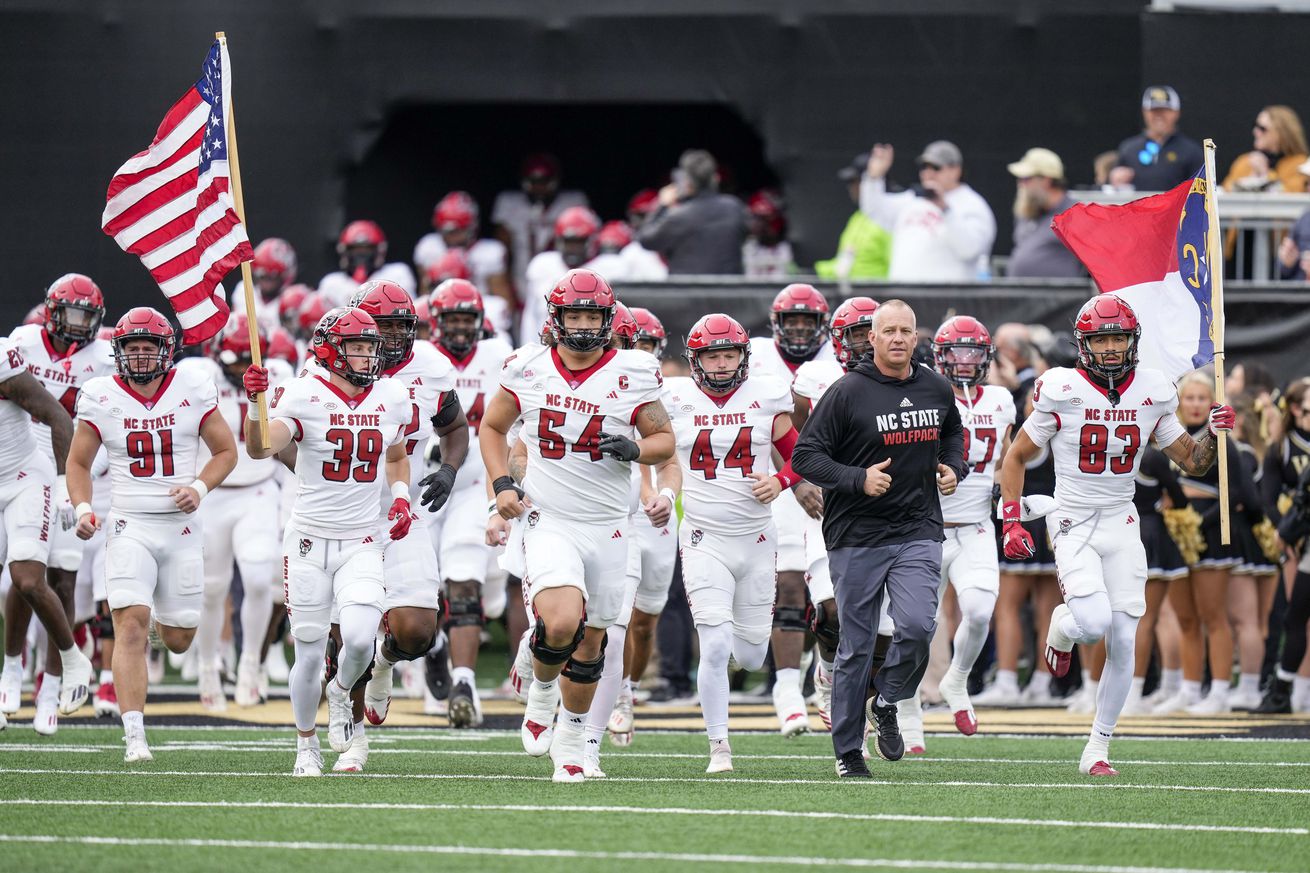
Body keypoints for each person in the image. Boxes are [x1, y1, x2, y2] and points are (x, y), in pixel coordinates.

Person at [998, 294, 1233, 775]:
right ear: (1084, 343)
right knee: (1092, 622)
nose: (1109, 347)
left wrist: (1213, 431)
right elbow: (1016, 456)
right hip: (1073, 520)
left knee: (1125, 637)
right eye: (1101, 338)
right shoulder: (1060, 388)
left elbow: (1194, 460)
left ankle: (1098, 748)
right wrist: (1012, 520)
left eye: (1118, 337)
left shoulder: (1152, 390)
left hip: (1122, 520)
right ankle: (1061, 632)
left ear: (1133, 342)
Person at [479, 268, 673, 783]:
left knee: (592, 643)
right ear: (556, 318)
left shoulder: (634, 370)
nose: (584, 326)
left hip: (609, 522)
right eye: (575, 315)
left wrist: (635, 448)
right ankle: (542, 692)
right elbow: (494, 427)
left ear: (608, 319)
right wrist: (501, 485)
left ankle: (572, 737)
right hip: (551, 516)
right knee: (561, 622)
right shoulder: (528, 366)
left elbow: (664, 442)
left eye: (592, 316)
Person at [792, 299, 966, 778]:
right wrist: (856, 478)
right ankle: (848, 753)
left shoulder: (934, 384)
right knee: (857, 644)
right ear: (871, 338)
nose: (896, 338)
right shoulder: (846, 391)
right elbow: (805, 457)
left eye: (904, 331)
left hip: (917, 528)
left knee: (916, 628)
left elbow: (954, 434)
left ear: (916, 337)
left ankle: (887, 700)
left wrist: (954, 467)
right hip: (857, 534)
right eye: (886, 330)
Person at [241, 306, 415, 777]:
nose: (366, 357)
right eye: (356, 348)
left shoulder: (391, 395)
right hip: (308, 541)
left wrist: (399, 496)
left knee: (360, 638)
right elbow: (261, 447)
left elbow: (396, 454)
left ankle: (340, 691)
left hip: (361, 537)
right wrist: (252, 406)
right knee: (310, 648)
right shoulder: (303, 393)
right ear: (330, 350)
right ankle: (305, 746)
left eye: (369, 348)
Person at [66, 307, 237, 761]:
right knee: (131, 625)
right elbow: (78, 462)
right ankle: (135, 735)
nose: (140, 356)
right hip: (129, 524)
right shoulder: (100, 395)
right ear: (118, 352)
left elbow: (226, 451)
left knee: (178, 638)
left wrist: (199, 487)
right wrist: (83, 507)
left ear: (167, 351)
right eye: (131, 348)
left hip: (180, 527)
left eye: (148, 347)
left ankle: (162, 624)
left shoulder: (192, 387)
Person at [663, 313, 800, 772]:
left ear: (743, 355)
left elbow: (802, 454)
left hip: (758, 536)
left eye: (729, 354)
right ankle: (719, 745)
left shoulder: (766, 394)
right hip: (703, 535)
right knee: (716, 644)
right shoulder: (673, 398)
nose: (721, 364)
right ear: (695, 359)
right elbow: (650, 448)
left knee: (753, 653)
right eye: (712, 355)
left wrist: (781, 481)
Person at [1, 275, 112, 733]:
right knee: (24, 573)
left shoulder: (104, 357)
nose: (78, 323)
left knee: (63, 577)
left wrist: (79, 482)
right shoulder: (24, 342)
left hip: (74, 459)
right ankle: (13, 669)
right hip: (27, 447)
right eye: (71, 313)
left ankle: (50, 684)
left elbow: (79, 417)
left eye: (87, 315)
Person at [175, 314, 294, 712]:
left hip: (257, 490)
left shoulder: (276, 374)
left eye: (249, 361)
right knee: (211, 590)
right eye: (235, 361)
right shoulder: (198, 375)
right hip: (211, 493)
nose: (242, 371)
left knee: (261, 579)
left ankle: (250, 665)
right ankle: (209, 667)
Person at [409, 278, 512, 725]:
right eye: (449, 319)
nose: (457, 328)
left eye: (465, 319)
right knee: (418, 583)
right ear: (436, 321)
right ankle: (432, 646)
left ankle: (465, 681)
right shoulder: (417, 359)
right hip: (420, 485)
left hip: (470, 483)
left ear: (479, 322)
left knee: (466, 581)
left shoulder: (497, 356)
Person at [911, 316, 1015, 745]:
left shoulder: (1001, 399)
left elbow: (1009, 458)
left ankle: (957, 680)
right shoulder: (923, 395)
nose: (966, 361)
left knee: (977, 610)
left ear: (986, 357)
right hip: (924, 526)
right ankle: (906, 712)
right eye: (957, 352)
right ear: (940, 356)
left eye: (974, 352)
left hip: (974, 526)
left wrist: (1007, 505)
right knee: (914, 626)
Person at [790, 296, 881, 733]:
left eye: (872, 332)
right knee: (830, 612)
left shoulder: (909, 379)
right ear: (839, 340)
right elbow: (791, 437)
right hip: (829, 508)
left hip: (883, 511)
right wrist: (798, 479)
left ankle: (865, 707)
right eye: (857, 334)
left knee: (880, 625)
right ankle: (826, 673)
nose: (866, 342)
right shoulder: (816, 377)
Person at [749, 284, 835, 734]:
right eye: (792, 321)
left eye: (807, 322)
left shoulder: (837, 361)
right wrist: (794, 480)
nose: (800, 330)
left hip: (831, 484)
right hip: (776, 483)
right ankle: (785, 689)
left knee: (829, 599)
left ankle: (822, 673)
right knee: (786, 586)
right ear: (776, 324)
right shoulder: (756, 356)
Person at [1153, 372, 1259, 715]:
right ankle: (1189, 688)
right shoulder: (1172, 439)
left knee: (1214, 616)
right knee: (1185, 617)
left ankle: (1220, 691)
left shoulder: (1222, 439)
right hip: (1176, 534)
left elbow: (1239, 492)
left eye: (1202, 398)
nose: (1196, 404)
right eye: (1190, 398)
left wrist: (1201, 522)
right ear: (1179, 402)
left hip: (1211, 532)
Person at [859, 140, 996, 281]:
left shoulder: (972, 204)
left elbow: (970, 250)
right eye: (924, 167)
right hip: (904, 294)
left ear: (956, 170)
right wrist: (873, 178)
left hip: (947, 297)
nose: (928, 173)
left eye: (936, 168)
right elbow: (873, 210)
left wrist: (945, 209)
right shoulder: (914, 199)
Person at [413, 191, 514, 335]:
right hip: (439, 311)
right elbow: (425, 293)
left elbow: (503, 299)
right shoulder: (430, 247)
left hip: (477, 314)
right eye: (447, 231)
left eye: (457, 231)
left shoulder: (490, 252)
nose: (452, 237)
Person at [637, 149, 750, 275]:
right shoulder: (734, 207)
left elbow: (646, 240)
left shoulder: (679, 216)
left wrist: (662, 205)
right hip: (732, 291)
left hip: (689, 292)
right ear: (716, 178)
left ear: (687, 183)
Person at [492, 153, 590, 291]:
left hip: (562, 279)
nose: (539, 188)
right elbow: (502, 253)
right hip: (520, 281)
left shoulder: (573, 203)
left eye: (545, 182)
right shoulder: (509, 203)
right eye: (533, 182)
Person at [521, 206, 602, 345]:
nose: (573, 248)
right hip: (548, 345)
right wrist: (528, 347)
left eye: (578, 242)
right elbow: (530, 315)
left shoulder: (608, 267)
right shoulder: (543, 265)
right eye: (568, 242)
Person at [1005, 148, 1083, 278]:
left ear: (1046, 180)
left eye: (1026, 179)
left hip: (1061, 297)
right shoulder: (1026, 211)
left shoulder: (1074, 214)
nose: (1020, 184)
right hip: (1021, 295)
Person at [1109, 87, 1205, 192]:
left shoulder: (1191, 151)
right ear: (1144, 112)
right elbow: (1115, 190)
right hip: (1138, 207)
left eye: (1165, 110)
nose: (1159, 116)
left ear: (1177, 112)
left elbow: (1200, 194)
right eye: (1154, 110)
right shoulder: (1129, 148)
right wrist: (1115, 180)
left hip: (1176, 208)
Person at [814, 153, 891, 281]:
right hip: (853, 295)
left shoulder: (893, 216)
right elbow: (844, 264)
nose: (851, 187)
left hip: (881, 297)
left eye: (854, 181)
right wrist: (818, 272)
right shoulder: (857, 218)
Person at [1223, 106, 1309, 194]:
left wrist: (1265, 174)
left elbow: (1294, 195)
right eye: (1255, 126)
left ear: (1281, 133)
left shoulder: (1300, 164)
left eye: (1262, 128)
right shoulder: (1246, 161)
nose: (1255, 131)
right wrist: (1248, 182)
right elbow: (1226, 189)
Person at [320, 220, 417, 298]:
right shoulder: (331, 283)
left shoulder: (397, 274)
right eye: (355, 250)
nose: (361, 255)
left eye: (367, 249)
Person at [234, 238, 298, 335]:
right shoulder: (243, 291)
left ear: (284, 276)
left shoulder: (291, 300)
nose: (266, 282)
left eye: (272, 276)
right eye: (262, 275)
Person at [743, 190, 795, 278]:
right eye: (755, 218)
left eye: (765, 219)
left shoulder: (787, 248)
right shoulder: (747, 248)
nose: (759, 224)